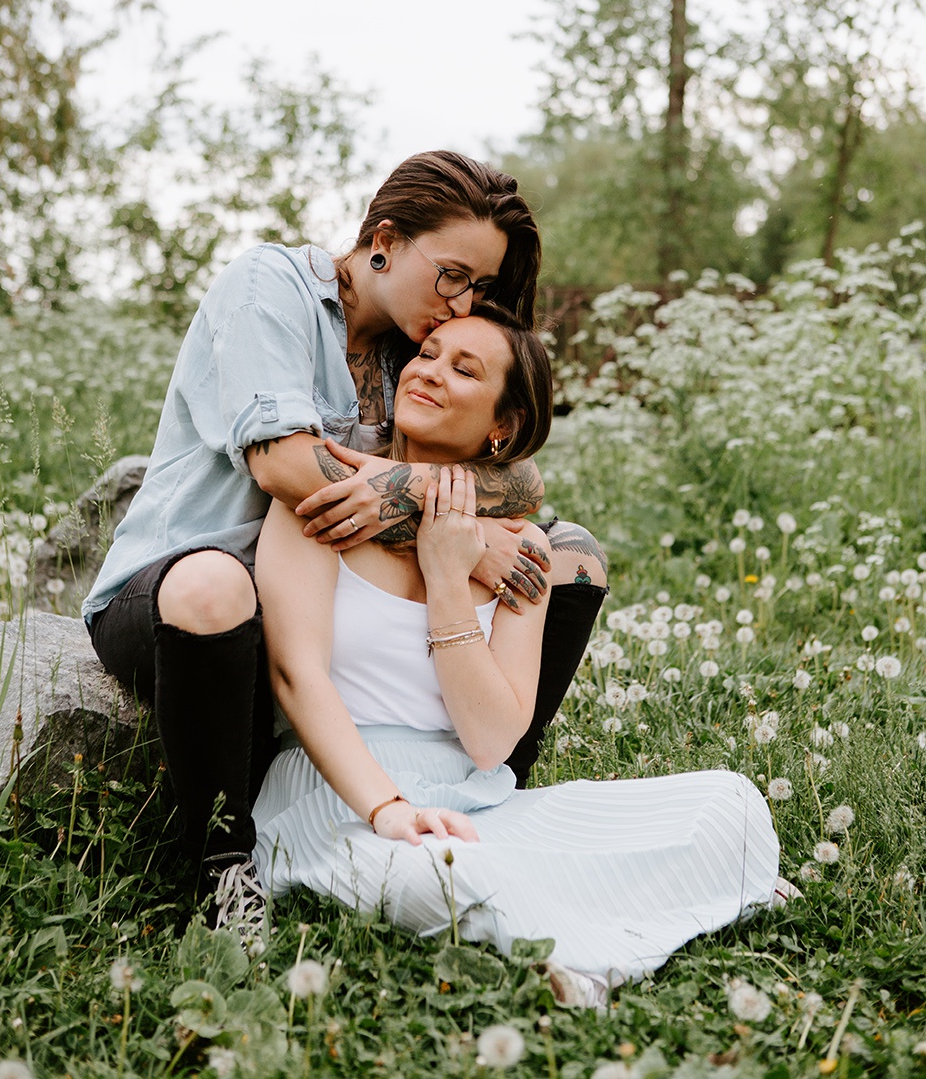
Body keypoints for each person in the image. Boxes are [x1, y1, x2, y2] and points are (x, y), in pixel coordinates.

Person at [81, 151, 607, 920]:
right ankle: (222, 867)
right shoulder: (271, 287)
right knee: (215, 585)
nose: (462, 303)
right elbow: (285, 464)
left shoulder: (408, 342)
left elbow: (521, 478)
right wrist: (444, 511)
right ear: (385, 238)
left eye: (481, 288)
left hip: (314, 594)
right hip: (187, 595)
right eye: (454, 274)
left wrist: (478, 524)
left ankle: (490, 784)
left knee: (573, 553)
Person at [252, 307, 784, 1007]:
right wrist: (385, 809)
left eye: (463, 369)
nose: (428, 372)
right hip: (336, 792)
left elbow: (490, 737)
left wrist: (448, 578)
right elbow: (296, 674)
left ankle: (587, 902)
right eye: (428, 354)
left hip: (474, 793)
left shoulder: (520, 547)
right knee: (441, 873)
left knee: (728, 804)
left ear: (501, 426)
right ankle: (585, 933)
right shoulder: (322, 503)